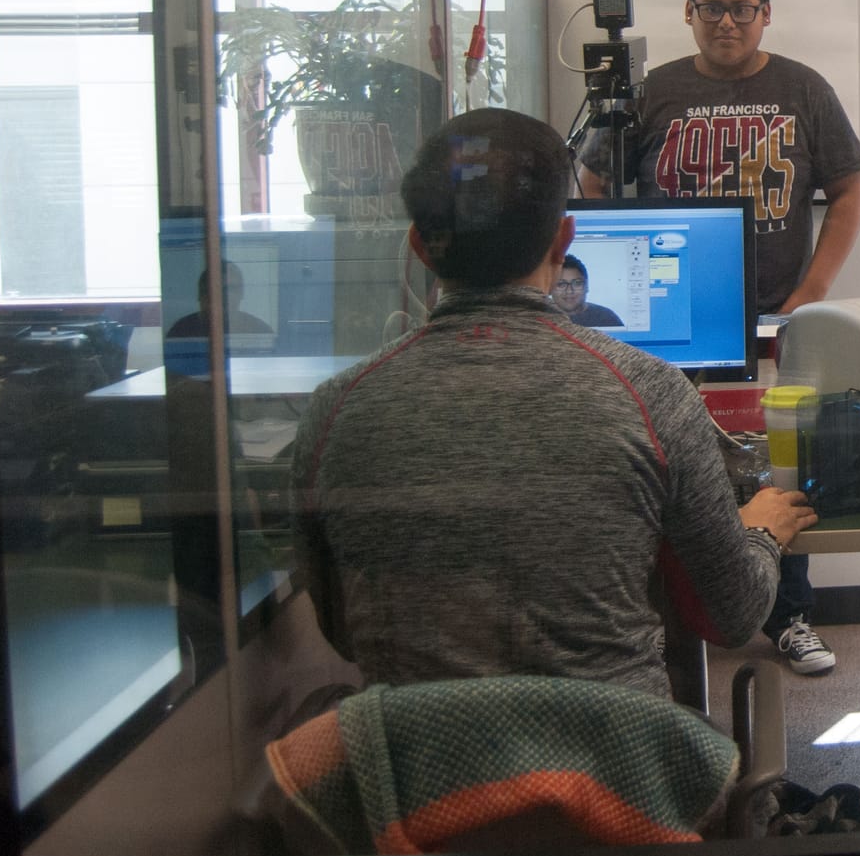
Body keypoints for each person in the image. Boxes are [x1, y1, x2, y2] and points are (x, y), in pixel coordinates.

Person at [289, 108, 816, 698]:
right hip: (616, 774)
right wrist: (762, 534)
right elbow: (733, 615)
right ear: (563, 238)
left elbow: (341, 629)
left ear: (419, 248)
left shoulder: (334, 411)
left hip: (418, 779)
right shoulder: (653, 394)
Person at [577, 0, 860, 676]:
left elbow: (849, 190)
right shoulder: (653, 91)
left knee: (775, 463)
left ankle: (790, 616)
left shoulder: (804, 87)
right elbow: (590, 181)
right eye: (712, 8)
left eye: (742, 8)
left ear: (765, 15)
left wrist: (814, 291)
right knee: (667, 463)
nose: (727, 21)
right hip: (669, 321)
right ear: (689, 15)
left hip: (774, 317)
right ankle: (664, 620)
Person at [166, 262, 273, 340]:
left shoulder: (259, 330)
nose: (223, 296)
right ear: (201, 295)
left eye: (231, 289)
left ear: (241, 293)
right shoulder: (180, 331)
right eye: (214, 289)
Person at [550, 254, 622, 327]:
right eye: (561, 284)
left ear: (587, 286)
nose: (569, 291)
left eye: (577, 283)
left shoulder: (607, 319)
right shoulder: (539, 321)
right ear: (550, 287)